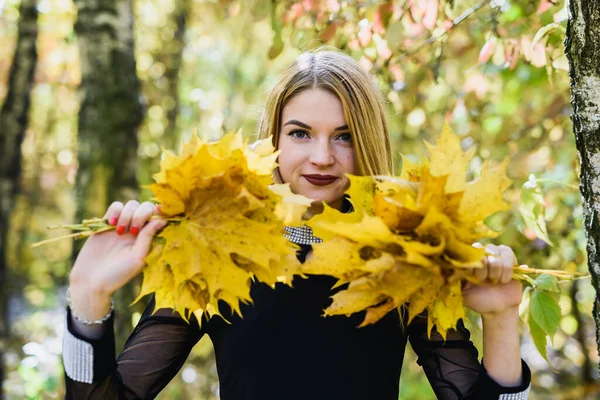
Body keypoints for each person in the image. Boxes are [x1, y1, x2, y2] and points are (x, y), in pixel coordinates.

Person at [64, 49, 531, 400]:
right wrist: (88, 299)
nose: (322, 157)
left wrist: (502, 321)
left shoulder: (406, 253)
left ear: (368, 141)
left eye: (344, 136)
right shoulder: (218, 248)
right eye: (301, 133)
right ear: (275, 139)